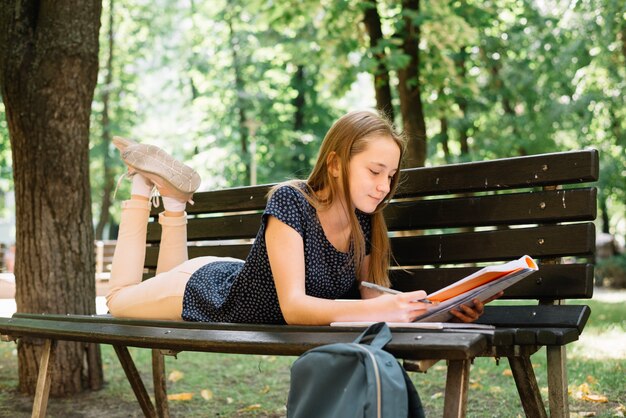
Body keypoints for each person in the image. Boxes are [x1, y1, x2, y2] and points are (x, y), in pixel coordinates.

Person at [106, 110, 493, 325]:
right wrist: (381, 309)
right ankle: (142, 188)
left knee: (153, 291)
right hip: (206, 292)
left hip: (226, 279)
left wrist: (444, 312)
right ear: (336, 164)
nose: (383, 185)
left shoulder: (365, 221)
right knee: (118, 302)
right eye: (374, 171)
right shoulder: (292, 202)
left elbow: (376, 302)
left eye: (390, 175)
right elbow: (294, 308)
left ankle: (173, 203)